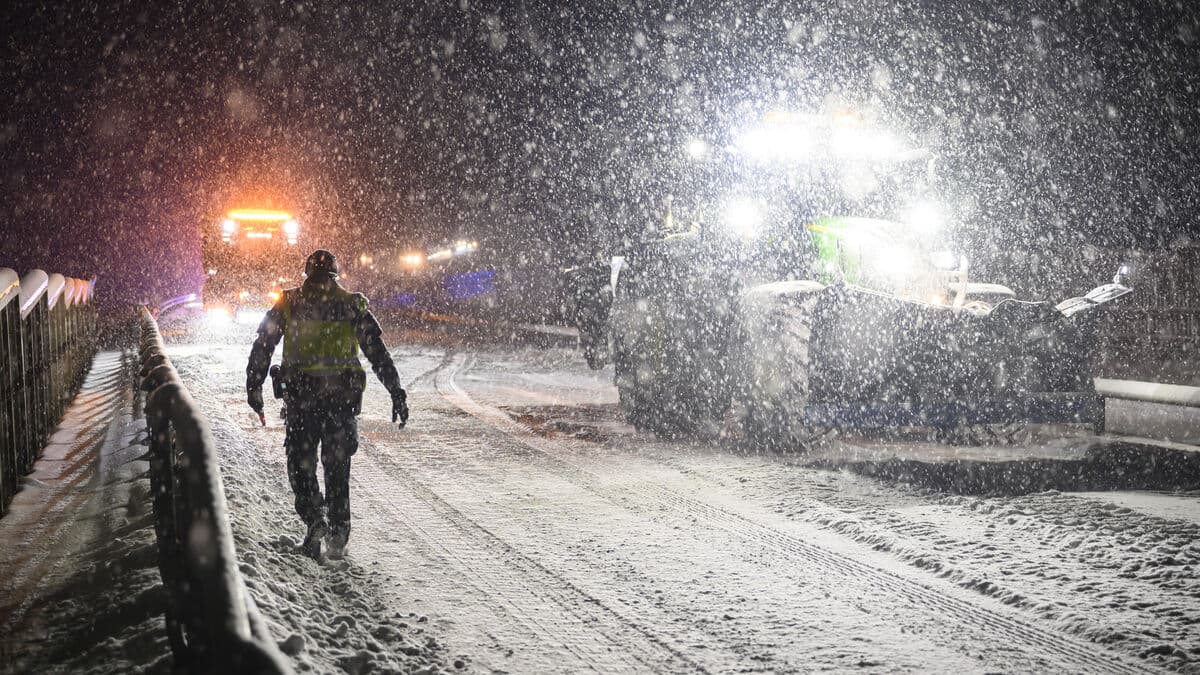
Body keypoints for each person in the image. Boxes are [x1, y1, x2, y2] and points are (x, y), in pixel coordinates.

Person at [246, 249, 408, 559]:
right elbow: (377, 353)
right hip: (340, 405)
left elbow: (263, 345)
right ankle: (337, 534)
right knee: (337, 471)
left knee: (301, 467)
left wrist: (254, 386)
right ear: (335, 275)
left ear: (307, 274)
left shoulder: (289, 303)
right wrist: (396, 391)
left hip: (302, 404)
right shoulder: (351, 305)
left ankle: (315, 519)